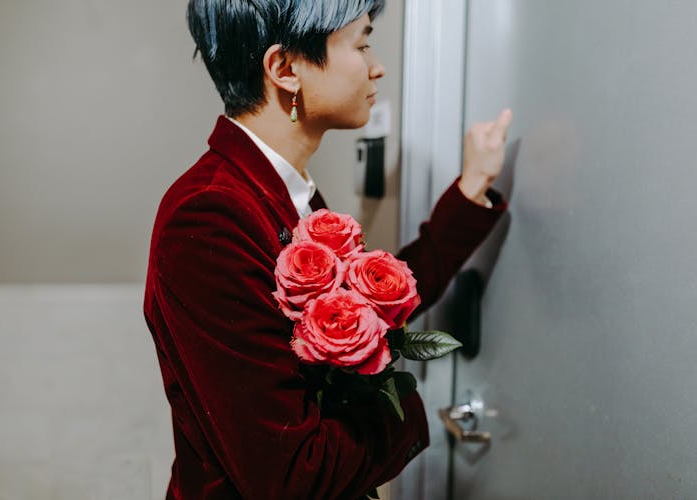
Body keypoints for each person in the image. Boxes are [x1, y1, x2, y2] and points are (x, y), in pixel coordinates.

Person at [143, 1, 512, 498]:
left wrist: (469, 192)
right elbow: (293, 474)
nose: (376, 65)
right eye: (361, 44)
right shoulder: (210, 217)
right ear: (285, 69)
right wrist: (411, 416)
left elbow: (367, 310)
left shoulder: (285, 192)